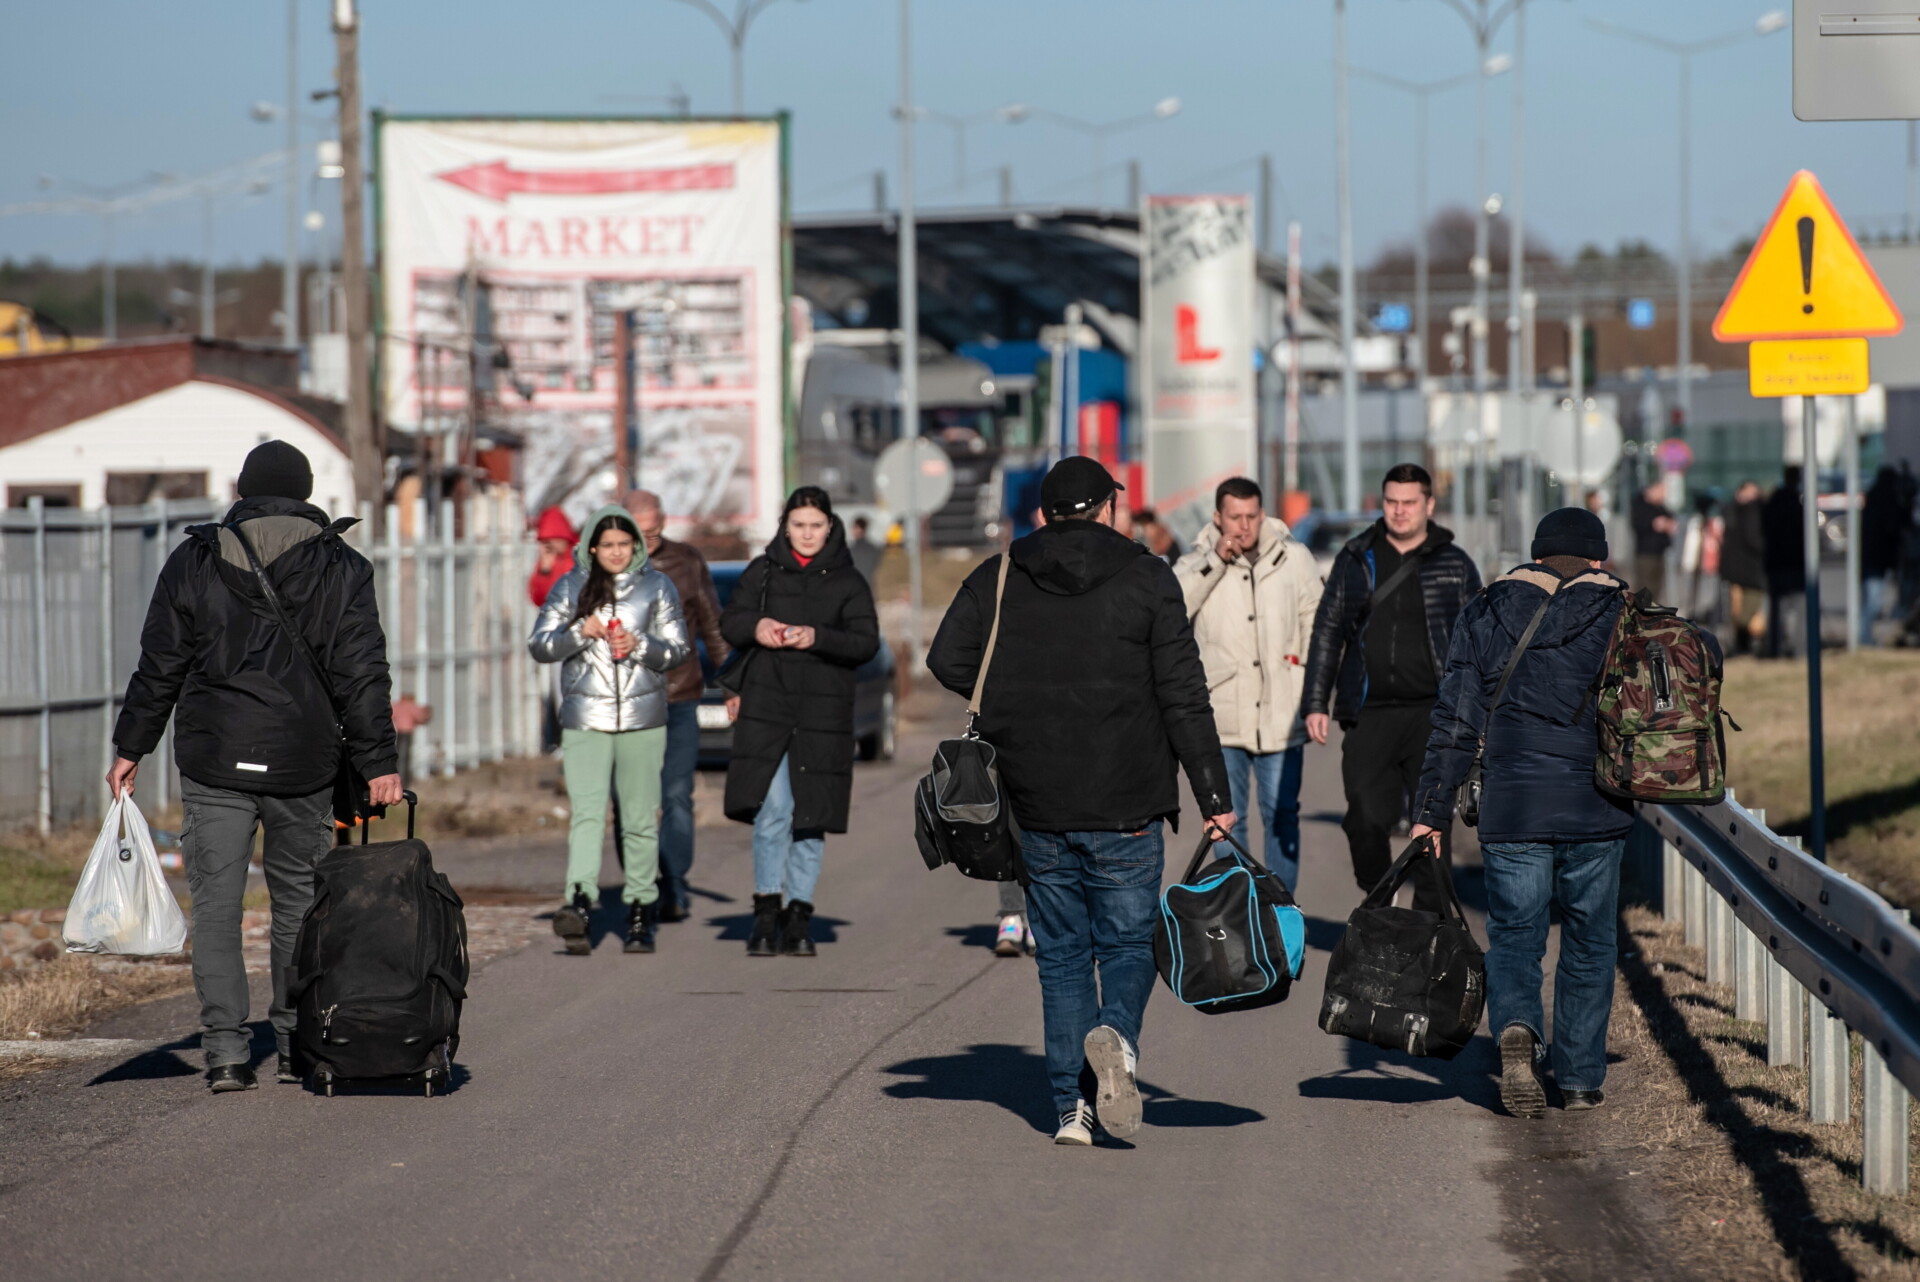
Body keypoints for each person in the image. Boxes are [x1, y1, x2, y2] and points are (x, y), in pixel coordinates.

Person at [928, 456, 1234, 1148]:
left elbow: (948, 660)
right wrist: (1214, 792)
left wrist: (1009, 700)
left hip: (1036, 799)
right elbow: (1183, 693)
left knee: (1062, 956)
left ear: (1044, 514)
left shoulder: (1003, 574)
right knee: (1127, 942)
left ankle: (1071, 1112)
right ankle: (1117, 1042)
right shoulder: (1148, 576)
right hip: (1128, 798)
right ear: (1107, 509)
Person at [108, 440, 401, 1093]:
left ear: (242, 490)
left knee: (216, 907)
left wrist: (132, 746)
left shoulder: (196, 559)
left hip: (216, 758)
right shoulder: (340, 565)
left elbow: (161, 665)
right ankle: (297, 1043)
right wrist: (380, 761)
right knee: (299, 900)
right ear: (303, 493)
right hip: (305, 761)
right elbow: (363, 674)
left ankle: (226, 1053)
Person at [1410, 507, 1641, 1118]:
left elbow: (1455, 720)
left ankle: (1517, 1029)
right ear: (1599, 558)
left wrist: (1430, 811)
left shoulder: (1486, 610)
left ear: (1537, 555)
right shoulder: (1624, 614)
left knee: (1515, 935)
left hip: (1512, 806)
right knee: (1590, 943)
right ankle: (1582, 1079)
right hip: (1598, 806)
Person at [1302, 463, 1482, 912]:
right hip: (1370, 711)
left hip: (1435, 714)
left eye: (1408, 503)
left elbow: (1479, 641)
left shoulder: (1455, 564)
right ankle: (1379, 895)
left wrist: (1478, 712)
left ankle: (1429, 925)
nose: (1398, 512)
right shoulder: (1355, 557)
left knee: (1431, 825)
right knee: (1363, 814)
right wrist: (1315, 702)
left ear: (1428, 505)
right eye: (1391, 502)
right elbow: (1328, 631)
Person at [721, 487, 879, 958]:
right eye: (798, 525)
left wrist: (818, 636)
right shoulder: (763, 571)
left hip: (824, 712)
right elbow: (730, 622)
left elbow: (865, 642)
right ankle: (766, 911)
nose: (807, 534)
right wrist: (757, 628)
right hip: (768, 706)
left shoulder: (849, 581)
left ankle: (799, 916)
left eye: (815, 525)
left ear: (829, 527)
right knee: (773, 812)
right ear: (784, 527)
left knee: (811, 818)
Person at [528, 506, 690, 956]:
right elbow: (540, 645)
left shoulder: (657, 586)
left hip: (642, 719)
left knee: (639, 818)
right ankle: (578, 900)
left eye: (625, 544)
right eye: (608, 545)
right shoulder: (570, 586)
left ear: (636, 546)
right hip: (586, 720)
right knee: (587, 813)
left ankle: (641, 908)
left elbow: (678, 650)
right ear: (592, 548)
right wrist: (582, 630)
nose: (617, 553)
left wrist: (641, 645)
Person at [1174, 476, 1322, 891]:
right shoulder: (1196, 561)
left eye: (1251, 516)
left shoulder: (1295, 557)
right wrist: (1215, 562)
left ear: (1264, 513)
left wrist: (1308, 681)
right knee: (1225, 820)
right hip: (1222, 716)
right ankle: (1240, 913)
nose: (1243, 525)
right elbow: (1172, 608)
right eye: (1234, 517)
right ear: (1218, 518)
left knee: (1281, 814)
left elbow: (1317, 620)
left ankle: (1279, 911)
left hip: (1283, 710)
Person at [622, 489, 729, 921]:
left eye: (655, 531)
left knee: (676, 795)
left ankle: (676, 882)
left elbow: (712, 625)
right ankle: (640, 884)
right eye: (640, 533)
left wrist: (732, 683)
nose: (649, 541)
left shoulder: (687, 561)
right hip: (626, 702)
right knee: (630, 801)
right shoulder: (607, 563)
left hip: (680, 696)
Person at [529, 506, 579, 753]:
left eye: (552, 540)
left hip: (577, 632)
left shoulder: (576, 559)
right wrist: (545, 568)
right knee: (560, 691)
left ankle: (574, 739)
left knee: (573, 689)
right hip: (557, 635)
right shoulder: (547, 564)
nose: (549, 545)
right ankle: (566, 740)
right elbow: (538, 597)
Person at [1861, 466, 1912, 647]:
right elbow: (1895, 525)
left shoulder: (1873, 498)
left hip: (1870, 558)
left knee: (1871, 601)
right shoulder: (1886, 501)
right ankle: (1865, 639)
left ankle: (1866, 637)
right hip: (1879, 559)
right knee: (1874, 602)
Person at [1761, 468, 1807, 659]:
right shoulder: (1797, 503)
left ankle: (1775, 650)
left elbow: (1765, 529)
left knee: (1776, 611)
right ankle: (1800, 650)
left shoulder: (1774, 502)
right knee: (1801, 609)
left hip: (1776, 562)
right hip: (1793, 563)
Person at [1720, 481, 1769, 657]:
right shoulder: (1751, 512)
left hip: (1737, 569)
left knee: (1741, 609)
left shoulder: (1733, 511)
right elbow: (1754, 539)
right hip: (1750, 570)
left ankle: (1743, 643)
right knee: (1747, 609)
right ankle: (1743, 643)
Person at [1630, 480, 1676, 604]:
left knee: (1657, 589)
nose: (1664, 494)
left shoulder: (1660, 507)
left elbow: (1671, 521)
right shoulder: (1640, 504)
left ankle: (1652, 616)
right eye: (1661, 490)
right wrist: (1655, 523)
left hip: (1659, 551)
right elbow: (1638, 524)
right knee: (1644, 588)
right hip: (1646, 553)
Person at [391, 692, 432, 791]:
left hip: (399, 732)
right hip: (407, 732)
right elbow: (420, 718)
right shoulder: (411, 706)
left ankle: (400, 779)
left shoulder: (397, 705)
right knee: (404, 757)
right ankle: (403, 781)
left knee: (400, 756)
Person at [848, 515, 883, 583]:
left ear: (859, 529)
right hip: (871, 587)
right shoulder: (875, 549)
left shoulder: (852, 550)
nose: (852, 531)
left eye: (854, 528)